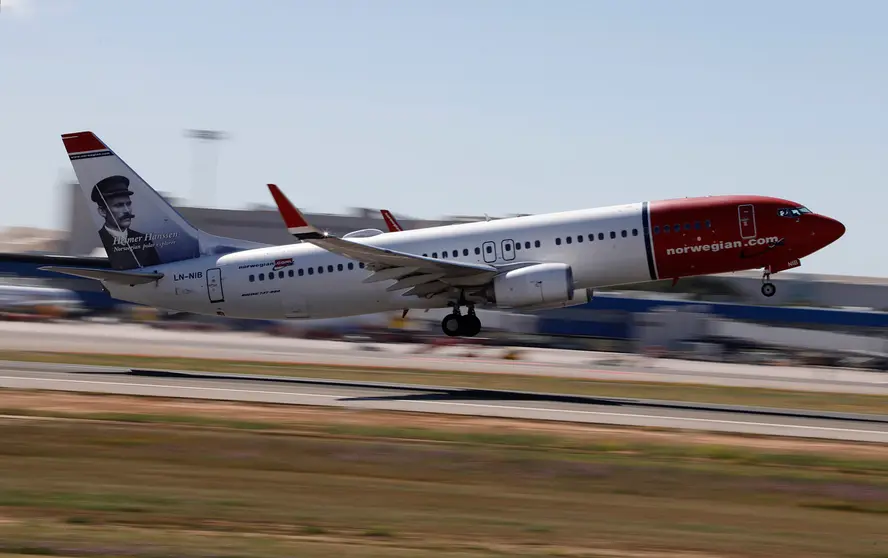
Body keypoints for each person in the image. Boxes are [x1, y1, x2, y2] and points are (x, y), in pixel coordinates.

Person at [91, 175, 161, 269]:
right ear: (102, 211)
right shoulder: (99, 241)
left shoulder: (143, 240)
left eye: (128, 204)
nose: (127, 210)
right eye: (119, 205)